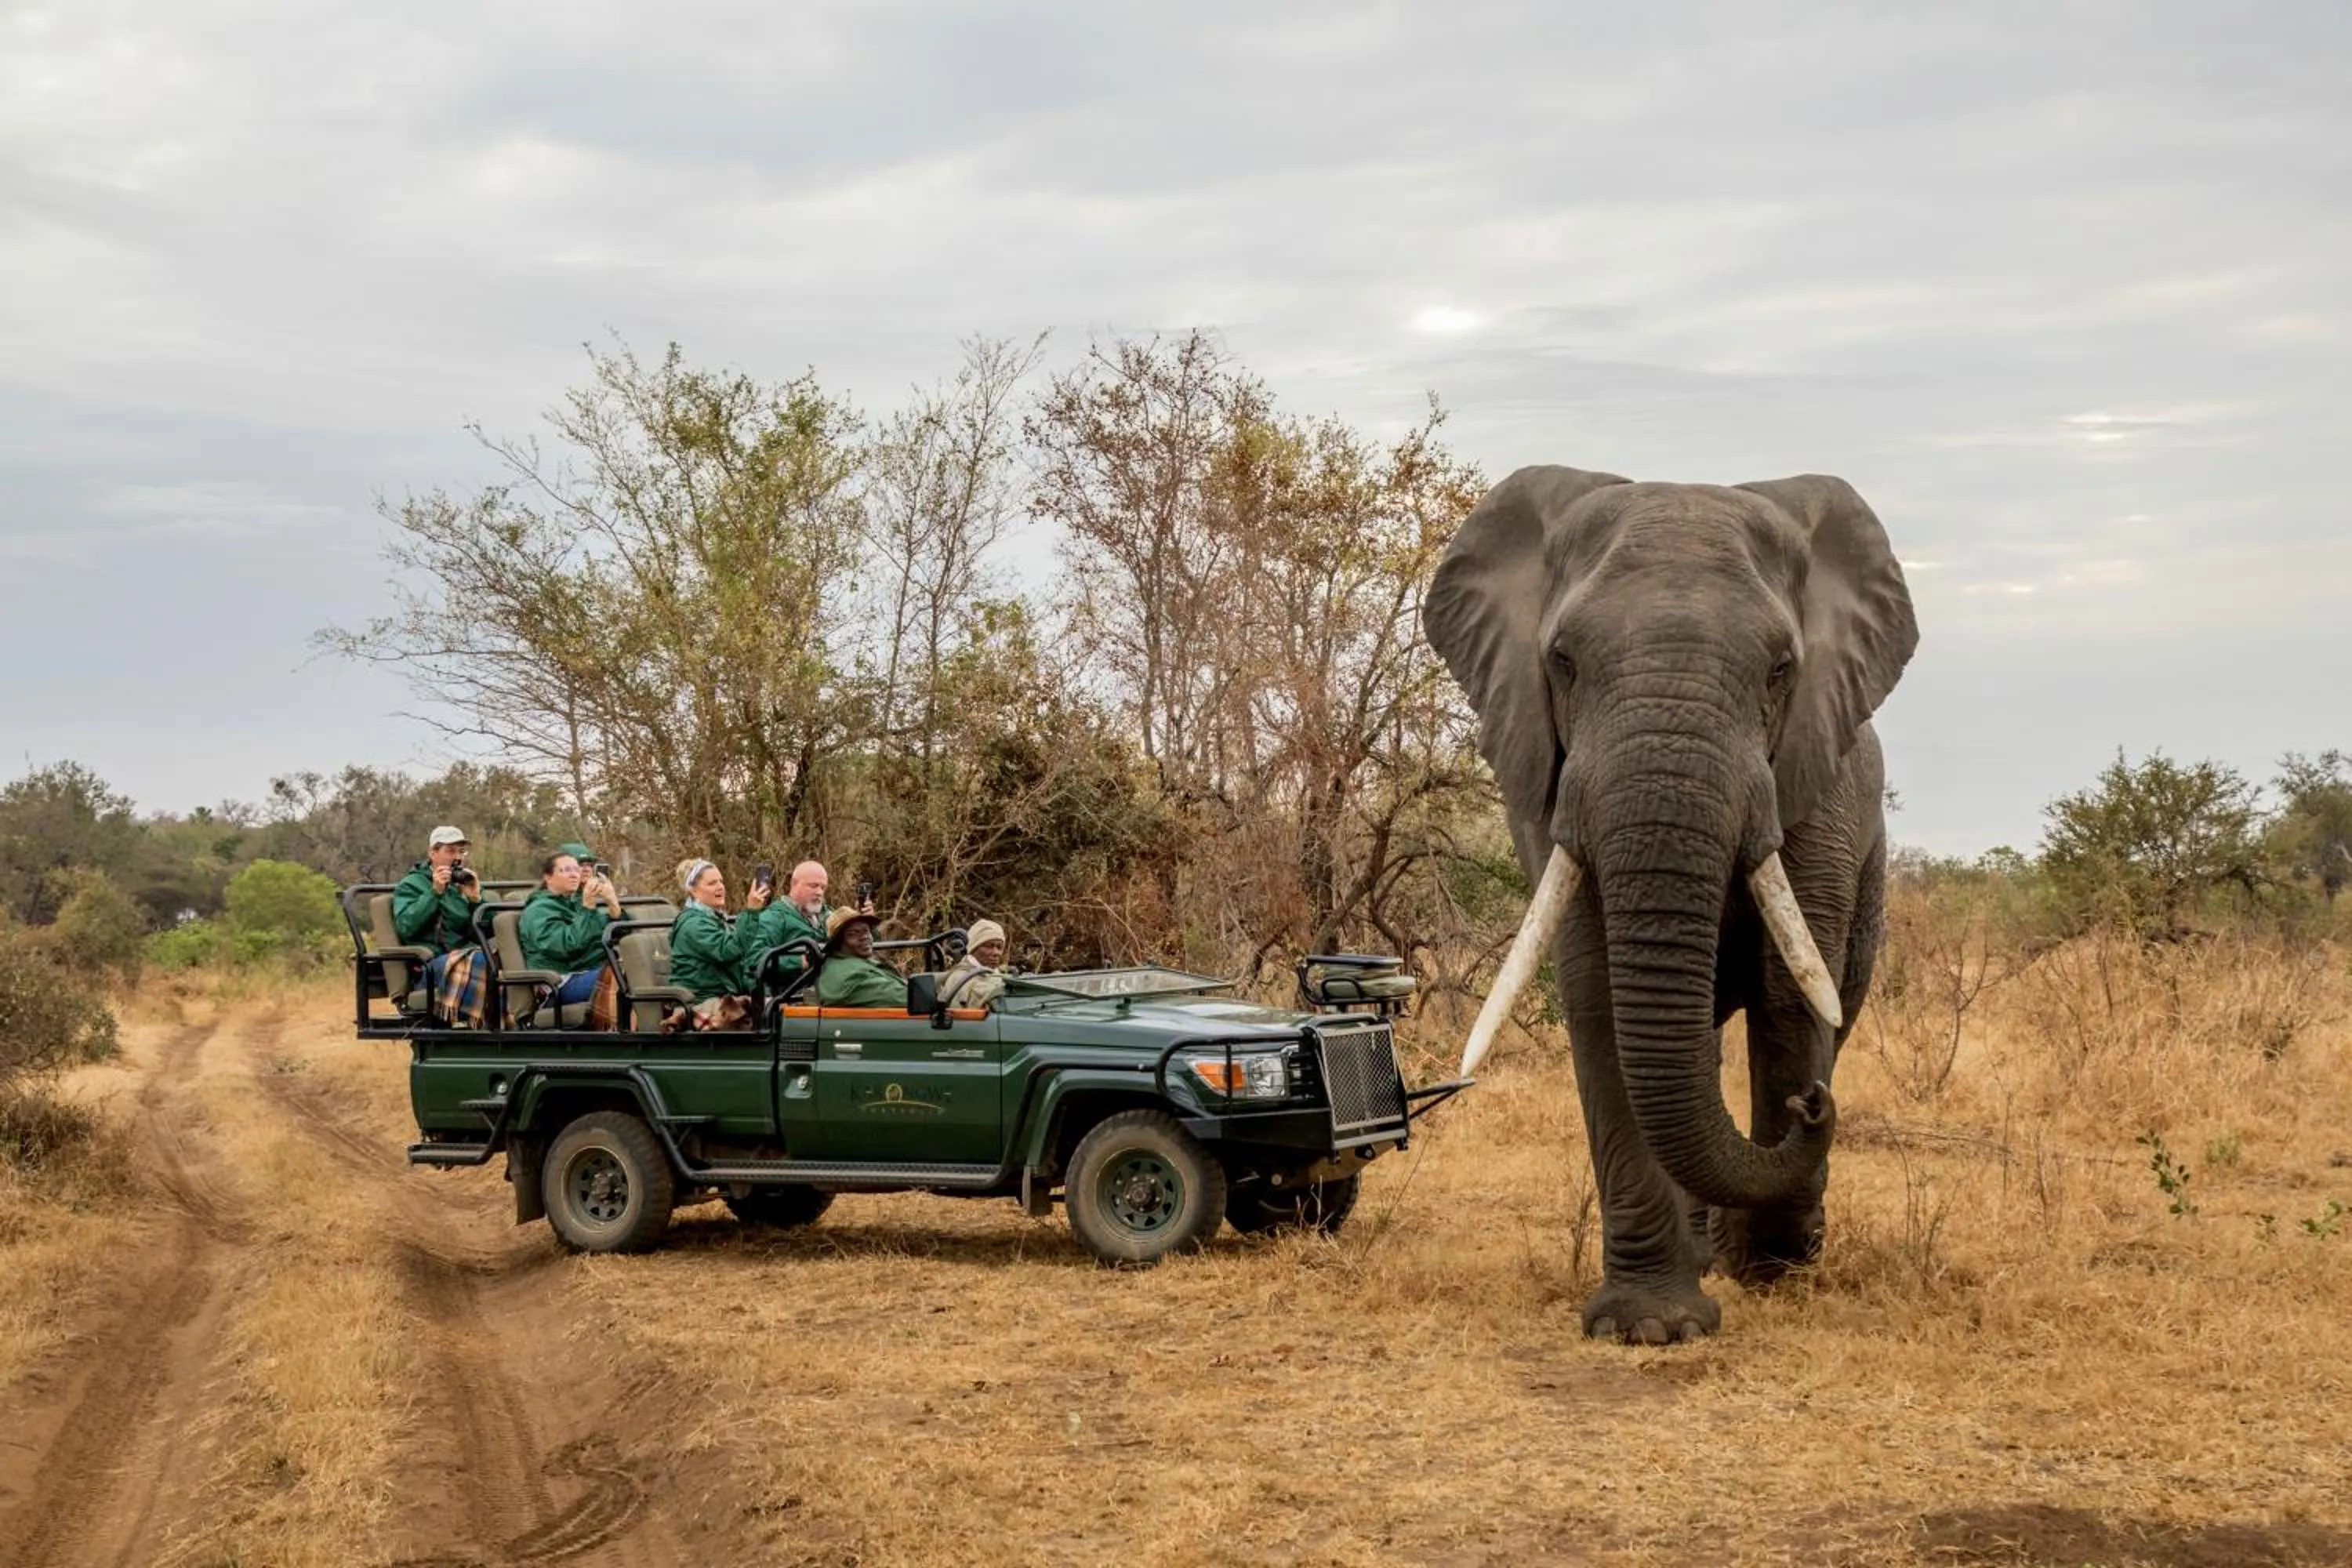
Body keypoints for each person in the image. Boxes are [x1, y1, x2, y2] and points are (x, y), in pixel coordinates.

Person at [668, 858, 771, 1021]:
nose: (720, 887)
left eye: (721, 881)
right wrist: (751, 912)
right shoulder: (693, 924)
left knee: (776, 1009)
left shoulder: (714, 919)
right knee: (766, 1018)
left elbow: (741, 961)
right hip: (699, 1002)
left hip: (722, 998)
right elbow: (728, 951)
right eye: (712, 883)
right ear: (693, 890)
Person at [519, 849, 622, 1009]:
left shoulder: (571, 903)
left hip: (586, 971)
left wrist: (612, 902)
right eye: (566, 870)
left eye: (576, 869)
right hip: (560, 984)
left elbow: (614, 933)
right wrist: (588, 907)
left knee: (637, 968)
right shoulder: (538, 911)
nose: (574, 875)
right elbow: (568, 946)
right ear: (548, 878)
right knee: (623, 976)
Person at [815, 906, 908, 1010]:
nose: (865, 937)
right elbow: (903, 997)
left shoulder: (855, 961)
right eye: (853, 934)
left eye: (866, 931)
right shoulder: (849, 977)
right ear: (838, 943)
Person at [938, 918, 1008, 1009]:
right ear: (974, 948)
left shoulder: (998, 974)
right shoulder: (960, 978)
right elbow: (956, 1017)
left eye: (999, 947)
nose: (996, 953)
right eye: (989, 946)